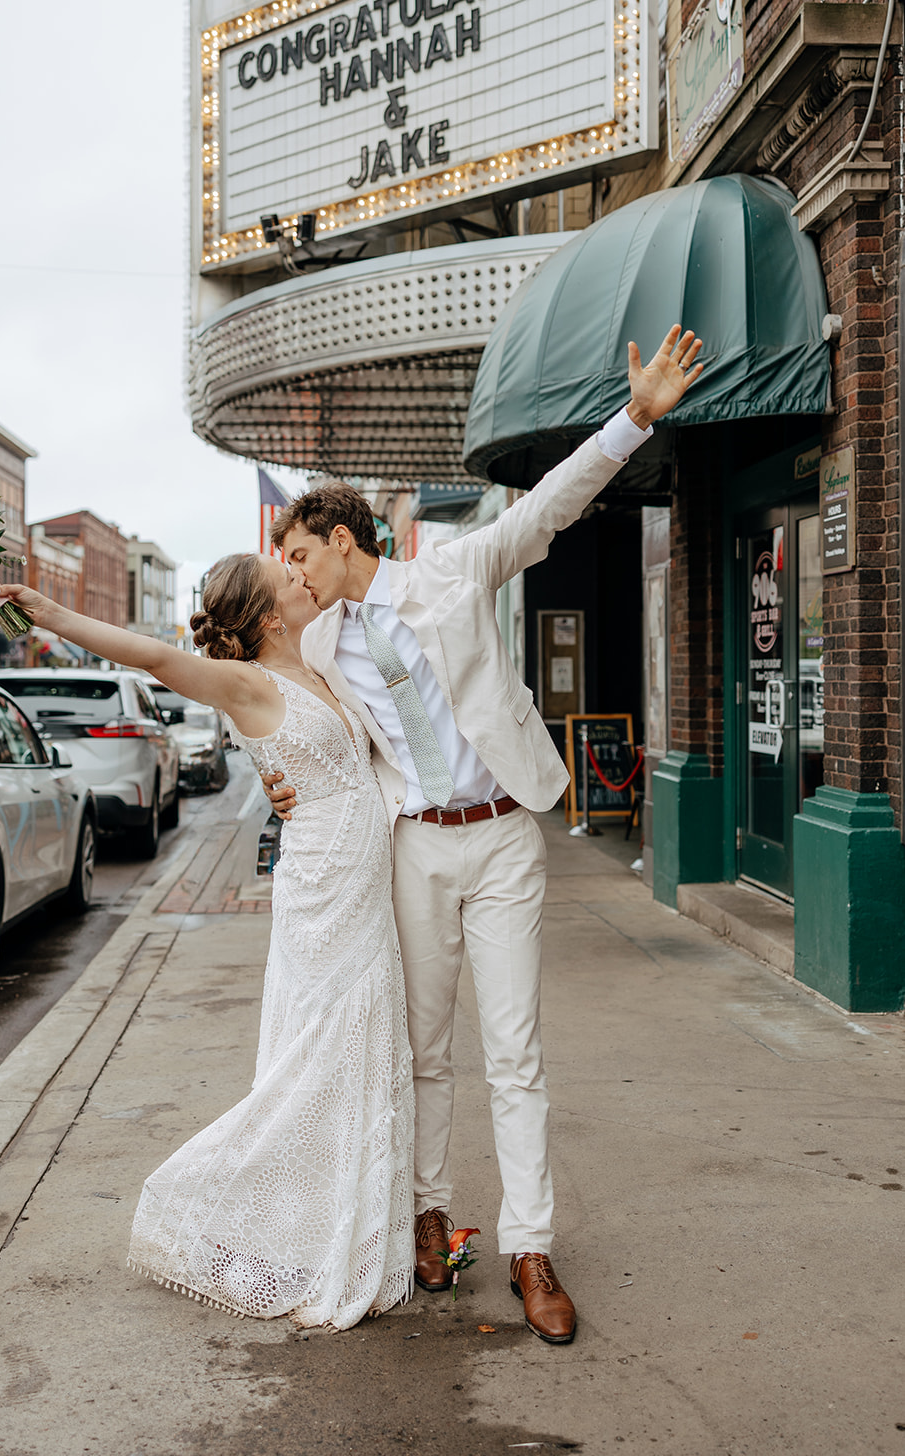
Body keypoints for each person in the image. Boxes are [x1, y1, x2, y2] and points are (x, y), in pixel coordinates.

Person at [265, 324, 704, 1344]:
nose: (291, 574)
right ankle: (431, 1230)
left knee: (513, 1049)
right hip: (413, 848)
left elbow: (552, 501)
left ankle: (528, 1249)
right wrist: (288, 789)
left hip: (503, 836)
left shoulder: (453, 571)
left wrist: (632, 418)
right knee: (420, 1052)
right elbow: (314, 734)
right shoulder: (321, 639)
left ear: (342, 539)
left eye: (297, 555)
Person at [0, 553, 414, 1332]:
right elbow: (152, 657)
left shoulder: (318, 661)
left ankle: (329, 1234)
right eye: (283, 573)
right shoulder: (246, 682)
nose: (297, 572)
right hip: (322, 891)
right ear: (268, 615)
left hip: (360, 883)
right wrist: (43, 612)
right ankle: (196, 1202)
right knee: (315, 1060)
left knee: (358, 1054)